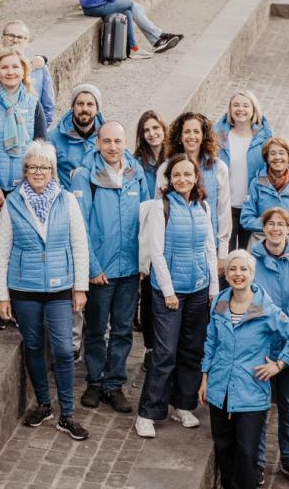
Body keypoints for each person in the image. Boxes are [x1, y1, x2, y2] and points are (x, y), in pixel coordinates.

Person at [200, 250, 289, 489]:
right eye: (232, 269)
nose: (237, 274)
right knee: (225, 450)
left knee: (247, 454)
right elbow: (210, 340)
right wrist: (205, 376)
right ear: (226, 273)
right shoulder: (220, 303)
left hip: (250, 391)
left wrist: (279, 363)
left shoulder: (266, 308)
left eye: (243, 269)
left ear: (252, 273)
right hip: (220, 388)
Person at [0, 140, 91, 440]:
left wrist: (80, 287)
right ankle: (44, 405)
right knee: (34, 347)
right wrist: (1, 295)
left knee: (63, 349)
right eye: (33, 167)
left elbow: (79, 245)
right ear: (25, 170)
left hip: (61, 286)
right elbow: (1, 251)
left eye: (44, 167)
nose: (38, 172)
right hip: (24, 287)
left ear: (52, 171)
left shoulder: (67, 200)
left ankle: (68, 414)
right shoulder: (13, 202)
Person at [136, 153, 220, 438]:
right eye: (177, 175)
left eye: (188, 174)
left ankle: (183, 405)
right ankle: (148, 412)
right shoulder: (163, 207)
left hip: (198, 289)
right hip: (169, 293)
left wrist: (213, 289)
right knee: (165, 353)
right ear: (169, 179)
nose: (182, 179)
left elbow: (210, 249)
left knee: (192, 351)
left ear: (196, 177)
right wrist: (169, 291)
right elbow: (156, 252)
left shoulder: (203, 207)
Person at [70, 121, 150, 414]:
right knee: (95, 329)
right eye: (107, 141)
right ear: (98, 143)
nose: (113, 147)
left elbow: (146, 219)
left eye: (118, 141)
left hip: (129, 269)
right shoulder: (84, 176)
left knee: (122, 330)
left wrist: (143, 262)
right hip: (100, 270)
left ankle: (113, 384)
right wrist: (92, 267)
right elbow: (80, 227)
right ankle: (95, 380)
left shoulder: (136, 173)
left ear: (125, 142)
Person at [0, 47, 49, 330]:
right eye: (4, 68)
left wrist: (28, 185)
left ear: (23, 72)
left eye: (15, 67)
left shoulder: (33, 103)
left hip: (23, 190)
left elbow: (40, 147)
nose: (10, 72)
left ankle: (17, 304)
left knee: (19, 248)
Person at [250, 208, 289, 483]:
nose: (275, 229)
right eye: (270, 224)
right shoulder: (251, 261)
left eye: (280, 224)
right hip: (260, 346)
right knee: (260, 406)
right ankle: (258, 461)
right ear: (264, 229)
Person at [156, 113, 231, 255]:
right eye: (186, 132)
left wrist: (222, 252)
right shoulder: (165, 169)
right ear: (179, 137)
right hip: (174, 248)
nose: (192, 136)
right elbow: (159, 212)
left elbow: (223, 213)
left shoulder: (219, 168)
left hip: (208, 247)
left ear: (204, 136)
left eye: (196, 131)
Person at [214, 89, 272, 250]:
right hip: (225, 206)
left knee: (249, 258)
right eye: (236, 105)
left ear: (253, 109)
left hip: (252, 208)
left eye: (246, 105)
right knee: (226, 256)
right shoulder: (218, 137)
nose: (241, 109)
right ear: (230, 109)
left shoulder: (264, 139)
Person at [134, 110, 169, 355]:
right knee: (147, 292)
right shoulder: (137, 164)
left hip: (168, 229)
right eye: (146, 130)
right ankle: (149, 347)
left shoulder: (174, 160)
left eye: (155, 128)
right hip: (145, 229)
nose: (152, 133)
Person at [239, 136, 289, 251]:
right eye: (272, 153)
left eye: (281, 153)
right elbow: (246, 218)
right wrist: (271, 226)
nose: (277, 157)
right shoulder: (256, 184)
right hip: (262, 248)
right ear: (267, 158)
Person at [0, 20, 55, 124]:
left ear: (27, 42)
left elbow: (48, 106)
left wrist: (39, 130)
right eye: (11, 36)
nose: (15, 40)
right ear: (2, 39)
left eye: (20, 37)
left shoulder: (40, 69)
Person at [48, 83, 104, 186]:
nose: (85, 109)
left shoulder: (107, 137)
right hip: (68, 198)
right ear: (72, 107)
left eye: (90, 104)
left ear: (97, 109)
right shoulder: (53, 139)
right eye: (80, 103)